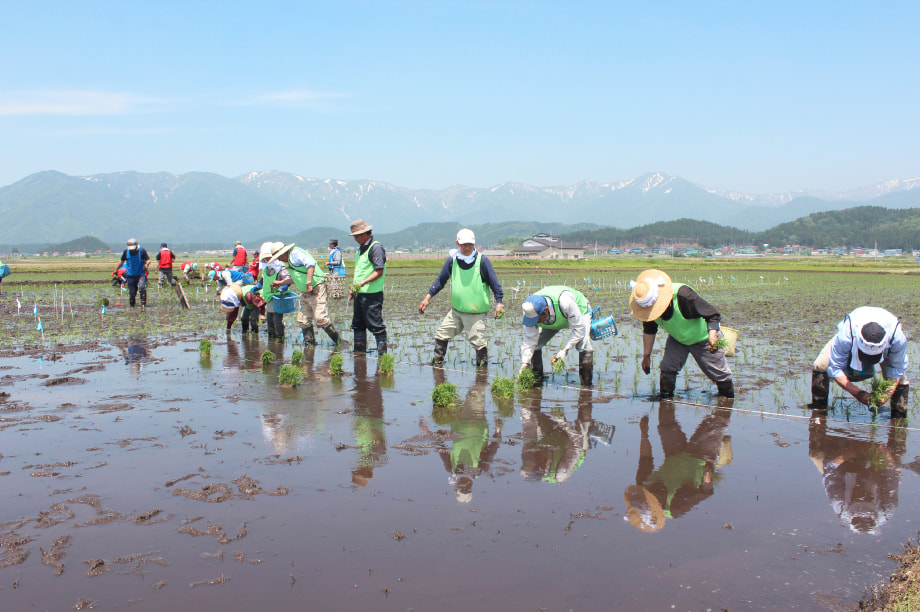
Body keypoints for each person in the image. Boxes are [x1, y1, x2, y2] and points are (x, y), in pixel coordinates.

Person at [624, 402, 732, 533]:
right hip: (699, 459)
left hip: (674, 455)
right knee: (716, 423)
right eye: (650, 499)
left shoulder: (643, 485)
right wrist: (707, 479)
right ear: (655, 509)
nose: (650, 494)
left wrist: (644, 434)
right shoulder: (675, 507)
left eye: (646, 496)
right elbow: (705, 493)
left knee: (665, 425)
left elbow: (645, 458)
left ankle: (667, 397)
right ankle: (727, 397)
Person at [629, 269, 733, 399]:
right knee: (668, 367)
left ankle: (727, 398)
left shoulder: (683, 295)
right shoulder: (647, 308)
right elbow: (649, 330)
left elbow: (713, 315)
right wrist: (646, 356)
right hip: (678, 338)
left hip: (703, 337)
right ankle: (665, 400)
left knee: (719, 373)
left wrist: (712, 337)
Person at [418, 228, 504, 367]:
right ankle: (437, 365)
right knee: (441, 334)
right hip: (457, 310)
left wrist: (499, 303)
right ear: (457, 243)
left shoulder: (482, 261)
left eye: (469, 244)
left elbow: (495, 284)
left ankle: (482, 372)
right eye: (463, 244)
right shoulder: (453, 260)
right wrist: (427, 298)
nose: (466, 247)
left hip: (475, 312)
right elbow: (440, 281)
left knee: (478, 341)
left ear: (474, 243)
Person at [811, 306, 909, 417]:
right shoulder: (847, 336)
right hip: (852, 332)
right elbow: (835, 368)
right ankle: (818, 412)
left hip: (889, 345)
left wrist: (886, 395)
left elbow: (897, 368)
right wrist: (858, 393)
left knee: (901, 380)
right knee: (821, 365)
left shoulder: (897, 338)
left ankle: (898, 418)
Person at [268, 242, 341, 346]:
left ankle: (339, 342)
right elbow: (296, 278)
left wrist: (308, 283)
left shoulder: (295, 253)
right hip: (306, 291)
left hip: (316, 288)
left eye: (279, 257)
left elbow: (311, 264)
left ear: (283, 253)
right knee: (303, 320)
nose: (279, 260)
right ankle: (309, 345)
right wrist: (280, 283)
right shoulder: (288, 262)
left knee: (320, 318)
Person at [519, 285, 594, 387]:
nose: (535, 322)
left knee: (583, 343)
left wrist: (565, 350)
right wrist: (525, 363)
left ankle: (586, 385)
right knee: (536, 345)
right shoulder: (529, 309)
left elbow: (579, 329)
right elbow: (529, 340)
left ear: (545, 310)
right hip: (552, 320)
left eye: (536, 320)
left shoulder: (565, 302)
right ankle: (537, 380)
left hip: (579, 311)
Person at [348, 219, 387, 354]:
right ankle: (359, 355)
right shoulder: (361, 249)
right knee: (358, 324)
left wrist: (362, 283)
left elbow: (379, 271)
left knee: (376, 325)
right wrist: (353, 289)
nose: (355, 239)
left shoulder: (375, 248)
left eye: (356, 236)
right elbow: (360, 271)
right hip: (360, 293)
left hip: (372, 294)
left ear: (364, 234)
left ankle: (383, 356)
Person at [255, 241, 291, 340]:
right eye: (264, 259)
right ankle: (271, 340)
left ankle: (280, 339)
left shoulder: (280, 267)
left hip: (278, 297)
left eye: (267, 258)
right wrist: (257, 286)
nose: (266, 260)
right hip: (269, 297)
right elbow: (263, 280)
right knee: (270, 319)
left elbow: (287, 280)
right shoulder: (266, 269)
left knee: (277, 319)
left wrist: (283, 287)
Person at [116, 238, 150, 308]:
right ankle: (132, 305)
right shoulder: (126, 252)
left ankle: (143, 304)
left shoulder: (142, 251)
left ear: (136, 245)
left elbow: (148, 260)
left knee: (142, 287)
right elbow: (121, 261)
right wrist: (116, 269)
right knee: (132, 293)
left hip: (141, 274)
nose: (132, 250)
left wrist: (147, 264)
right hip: (130, 275)